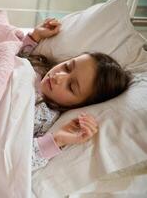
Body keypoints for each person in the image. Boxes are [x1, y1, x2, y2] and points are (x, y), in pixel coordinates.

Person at [18, 18, 133, 171]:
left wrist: (58, 139)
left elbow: (17, 154)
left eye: (71, 86)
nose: (58, 77)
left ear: (78, 104)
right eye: (67, 67)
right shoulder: (39, 68)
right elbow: (18, 56)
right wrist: (35, 36)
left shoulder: (44, 115)